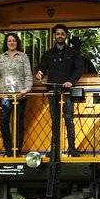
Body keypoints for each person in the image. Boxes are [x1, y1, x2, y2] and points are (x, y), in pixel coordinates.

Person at [35, 23, 85, 156]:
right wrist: (40, 73)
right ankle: (55, 150)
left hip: (67, 93)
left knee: (69, 120)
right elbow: (42, 67)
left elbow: (79, 68)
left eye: (62, 34)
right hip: (53, 92)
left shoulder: (73, 53)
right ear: (54, 36)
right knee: (55, 121)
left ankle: (72, 149)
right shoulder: (48, 54)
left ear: (66, 36)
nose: (60, 36)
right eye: (58, 34)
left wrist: (71, 81)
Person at [0, 32, 32, 156]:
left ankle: (17, 150)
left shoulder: (23, 56)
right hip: (5, 95)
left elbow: (28, 74)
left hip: (20, 94)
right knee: (3, 121)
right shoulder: (1, 58)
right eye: (9, 41)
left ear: (17, 42)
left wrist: (27, 88)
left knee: (18, 123)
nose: (11, 43)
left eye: (14, 40)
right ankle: (8, 150)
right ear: (6, 43)